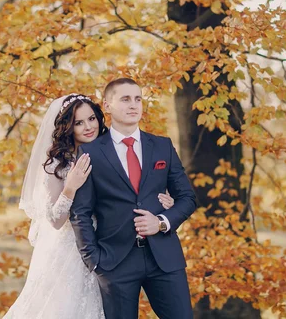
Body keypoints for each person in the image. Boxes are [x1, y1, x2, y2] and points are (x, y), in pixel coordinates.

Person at [4, 94, 175, 318]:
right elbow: (55, 221)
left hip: (110, 247)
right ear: (67, 127)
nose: (88, 127)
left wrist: (164, 203)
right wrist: (70, 187)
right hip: (71, 252)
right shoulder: (58, 164)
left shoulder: (110, 153)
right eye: (79, 122)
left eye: (92, 119)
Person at [71, 78, 198, 319]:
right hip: (114, 262)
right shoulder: (91, 152)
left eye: (138, 99)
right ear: (107, 105)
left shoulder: (162, 146)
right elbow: (80, 212)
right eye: (125, 99)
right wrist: (94, 261)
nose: (134, 105)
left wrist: (161, 221)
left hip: (165, 259)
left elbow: (187, 198)